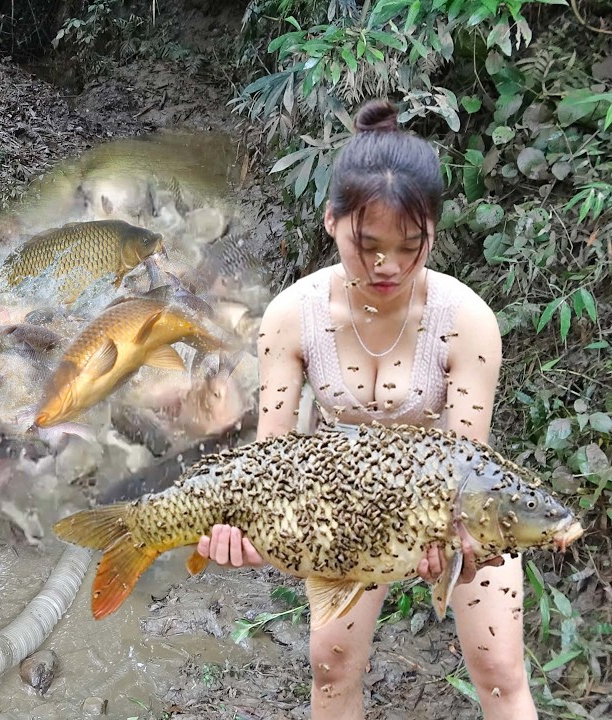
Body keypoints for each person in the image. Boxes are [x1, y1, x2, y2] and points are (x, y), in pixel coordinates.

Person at [195, 99, 532, 719]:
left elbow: (466, 464)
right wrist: (246, 527)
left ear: (433, 232)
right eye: (367, 244)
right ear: (332, 220)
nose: (388, 266)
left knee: (501, 671)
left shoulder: (468, 321)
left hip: (445, 503)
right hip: (341, 506)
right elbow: (271, 459)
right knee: (331, 668)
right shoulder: (291, 317)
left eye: (411, 246)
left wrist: (453, 542)